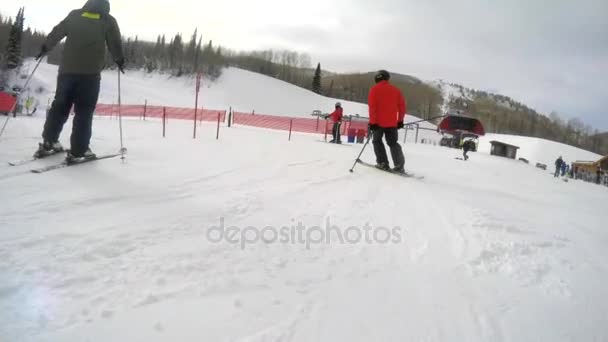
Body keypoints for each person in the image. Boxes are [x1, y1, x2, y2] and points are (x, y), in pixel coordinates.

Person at [34, 0, 124, 162]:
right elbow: (115, 43)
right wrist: (119, 59)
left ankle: (49, 142)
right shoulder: (108, 21)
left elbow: (57, 32)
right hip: (89, 75)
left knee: (59, 106)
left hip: (66, 73)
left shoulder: (74, 15)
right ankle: (78, 151)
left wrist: (45, 47)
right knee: (84, 112)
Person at [368, 70, 407, 172]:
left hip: (378, 123)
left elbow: (373, 108)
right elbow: (402, 107)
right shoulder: (396, 90)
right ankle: (399, 165)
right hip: (392, 124)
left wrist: (373, 123)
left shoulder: (374, 90)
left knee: (377, 141)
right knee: (393, 143)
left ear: (377, 78)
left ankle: (382, 162)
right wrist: (400, 120)